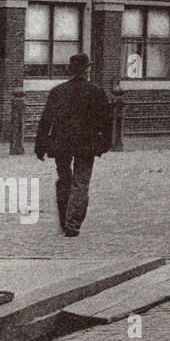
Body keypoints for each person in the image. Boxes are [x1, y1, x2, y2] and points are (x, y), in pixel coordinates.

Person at [34, 53, 111, 237]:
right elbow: (106, 122)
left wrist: (40, 146)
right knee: (81, 182)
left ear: (71, 68)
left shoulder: (58, 91)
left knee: (64, 179)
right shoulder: (96, 92)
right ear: (87, 69)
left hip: (61, 144)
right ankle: (73, 223)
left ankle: (64, 218)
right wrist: (104, 143)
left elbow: (46, 121)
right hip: (86, 144)